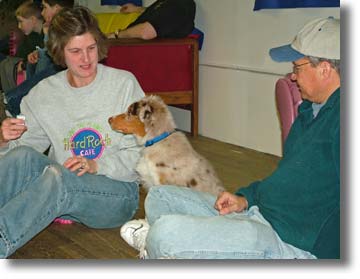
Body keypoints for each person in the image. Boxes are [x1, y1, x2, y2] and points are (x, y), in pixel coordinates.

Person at [119, 17, 340, 259]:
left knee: (165, 232)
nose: (293, 77)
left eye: (297, 67)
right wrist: (245, 199)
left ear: (325, 69)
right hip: (258, 214)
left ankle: (163, 245)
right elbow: (286, 179)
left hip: (288, 242)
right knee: (160, 196)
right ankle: (174, 250)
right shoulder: (309, 112)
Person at [0, 6, 145, 258]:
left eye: (91, 48)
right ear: (59, 52)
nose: (86, 59)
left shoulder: (124, 84)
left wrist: (96, 164)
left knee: (58, 175)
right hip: (62, 184)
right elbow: (20, 156)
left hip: (117, 194)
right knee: (23, 156)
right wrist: (3, 140)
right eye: (75, 51)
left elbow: (143, 154)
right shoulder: (43, 94)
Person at [2, 0, 74, 118]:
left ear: (56, 8)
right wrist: (37, 52)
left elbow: (60, 53)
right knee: (36, 59)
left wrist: (45, 38)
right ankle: (27, 104)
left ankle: (13, 100)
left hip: (65, 66)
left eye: (45, 7)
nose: (42, 12)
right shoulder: (53, 26)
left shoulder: (70, 24)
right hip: (60, 63)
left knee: (46, 61)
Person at [0, 0, 44, 94]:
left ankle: (13, 97)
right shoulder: (33, 36)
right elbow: (23, 52)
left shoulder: (44, 35)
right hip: (24, 60)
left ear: (33, 19)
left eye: (21, 22)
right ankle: (10, 96)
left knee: (8, 65)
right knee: (5, 63)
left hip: (32, 65)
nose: (19, 26)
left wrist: (23, 62)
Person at [107, 0, 196, 40]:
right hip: (130, 48)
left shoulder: (179, 5)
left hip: (137, 52)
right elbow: (159, 14)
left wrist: (116, 35)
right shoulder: (168, 3)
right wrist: (137, 9)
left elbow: (145, 32)